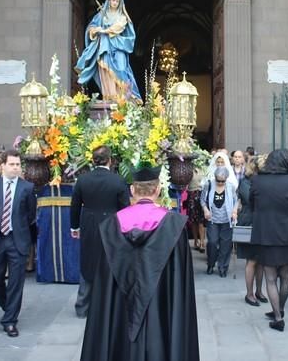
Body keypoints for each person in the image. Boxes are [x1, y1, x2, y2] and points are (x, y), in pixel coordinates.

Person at [80, 165, 199, 361]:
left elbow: (103, 280)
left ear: (132, 191)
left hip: (120, 310)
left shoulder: (111, 225)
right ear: (158, 189)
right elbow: (179, 280)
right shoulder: (174, 226)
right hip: (161, 305)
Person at [0, 150, 37, 337]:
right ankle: (7, 306)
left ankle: (10, 320)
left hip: (16, 239)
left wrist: (19, 227)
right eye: (12, 164)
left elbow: (30, 214)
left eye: (18, 164)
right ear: (3, 165)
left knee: (16, 281)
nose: (15, 167)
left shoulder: (27, 188)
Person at [70, 146, 130, 318]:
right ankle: (109, 307)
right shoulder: (118, 181)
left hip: (88, 223)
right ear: (110, 160)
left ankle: (83, 306)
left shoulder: (82, 180)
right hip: (111, 224)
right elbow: (124, 209)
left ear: (92, 160)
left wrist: (74, 227)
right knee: (111, 261)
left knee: (88, 261)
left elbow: (74, 205)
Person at [250, 149, 288, 332]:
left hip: (266, 234)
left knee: (270, 278)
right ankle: (279, 309)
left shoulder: (257, 180)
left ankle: (278, 316)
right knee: (286, 275)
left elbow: (252, 203)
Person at [75, 0, 141, 100]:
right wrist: (94, 30)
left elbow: (118, 28)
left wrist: (104, 31)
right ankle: (109, 96)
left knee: (121, 68)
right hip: (104, 46)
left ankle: (123, 97)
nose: (115, 3)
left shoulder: (123, 17)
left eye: (117, 1)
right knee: (105, 68)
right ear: (109, 1)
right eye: (113, 0)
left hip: (118, 46)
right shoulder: (101, 15)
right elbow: (91, 27)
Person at [236, 157, 267, 306]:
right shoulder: (245, 182)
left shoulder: (262, 182)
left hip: (262, 222)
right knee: (252, 260)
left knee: (261, 260)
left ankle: (259, 291)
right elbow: (250, 200)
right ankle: (249, 294)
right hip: (249, 222)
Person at [200, 167, 238, 277]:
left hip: (227, 220)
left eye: (223, 181)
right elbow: (202, 199)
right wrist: (206, 209)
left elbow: (236, 200)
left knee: (225, 245)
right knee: (212, 242)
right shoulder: (209, 185)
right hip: (213, 219)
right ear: (215, 178)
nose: (220, 183)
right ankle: (211, 264)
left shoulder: (231, 186)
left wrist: (235, 210)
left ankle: (223, 267)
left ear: (226, 178)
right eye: (218, 180)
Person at [184, 165, 206, 253]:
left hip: (202, 194)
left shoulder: (204, 169)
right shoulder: (189, 169)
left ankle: (202, 242)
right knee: (193, 220)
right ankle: (196, 241)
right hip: (192, 195)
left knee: (201, 220)